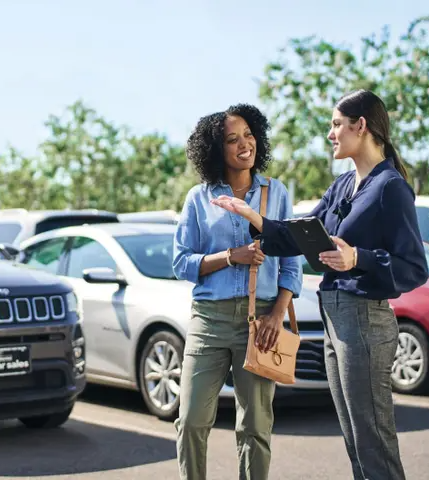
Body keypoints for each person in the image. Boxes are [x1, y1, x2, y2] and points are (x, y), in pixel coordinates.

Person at [211, 90, 428, 480]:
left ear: (360, 126)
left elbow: (413, 267)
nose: (330, 134)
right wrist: (253, 216)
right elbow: (299, 236)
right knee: (355, 441)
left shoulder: (390, 187)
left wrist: (356, 258)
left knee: (373, 441)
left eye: (336, 124)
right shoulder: (344, 186)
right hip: (335, 318)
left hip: (364, 322)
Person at [172, 103, 303, 480]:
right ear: (216, 149)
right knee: (192, 419)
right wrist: (231, 256)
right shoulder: (199, 198)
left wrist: (277, 314)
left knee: (255, 427)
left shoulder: (275, 193)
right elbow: (182, 263)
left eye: (249, 135)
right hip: (209, 321)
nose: (245, 144)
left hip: (261, 319)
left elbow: (291, 262)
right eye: (233, 139)